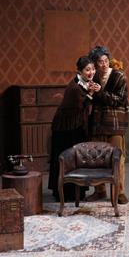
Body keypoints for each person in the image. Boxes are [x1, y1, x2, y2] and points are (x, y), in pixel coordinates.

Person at [49, 56, 100, 201]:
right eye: (87, 70)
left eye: (93, 69)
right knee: (67, 159)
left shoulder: (84, 83)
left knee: (77, 159)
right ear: (80, 71)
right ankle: (66, 193)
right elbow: (80, 107)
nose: (91, 72)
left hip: (75, 127)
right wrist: (91, 93)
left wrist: (94, 90)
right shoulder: (75, 87)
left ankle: (78, 191)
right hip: (65, 130)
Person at [86, 46, 129, 204]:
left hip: (115, 123)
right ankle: (99, 190)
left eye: (105, 60)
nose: (104, 64)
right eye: (100, 62)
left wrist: (100, 92)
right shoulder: (94, 76)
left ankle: (119, 192)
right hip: (97, 124)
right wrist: (91, 92)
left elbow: (119, 100)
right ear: (95, 63)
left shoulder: (119, 76)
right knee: (96, 158)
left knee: (117, 158)